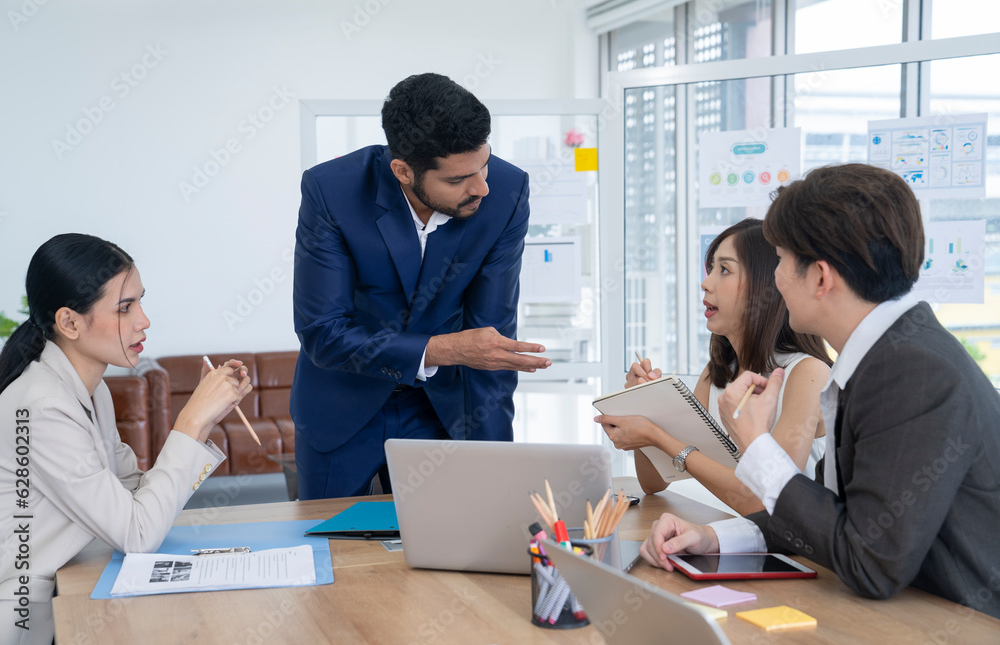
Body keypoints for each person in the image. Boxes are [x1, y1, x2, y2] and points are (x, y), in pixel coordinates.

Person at [639, 164, 1000, 618]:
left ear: (821, 277)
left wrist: (757, 445)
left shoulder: (911, 370)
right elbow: (833, 516)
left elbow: (869, 564)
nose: (778, 280)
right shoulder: (883, 355)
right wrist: (715, 538)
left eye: (783, 262)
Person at [291, 73, 550, 500]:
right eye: (457, 180)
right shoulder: (331, 191)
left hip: (446, 408)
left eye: (483, 164)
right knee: (333, 552)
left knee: (455, 548)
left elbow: (490, 339)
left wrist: (496, 460)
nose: (481, 186)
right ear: (403, 171)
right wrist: (444, 350)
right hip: (342, 405)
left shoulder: (505, 191)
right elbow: (324, 332)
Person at [0, 234, 253, 644]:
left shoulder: (90, 390)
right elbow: (137, 533)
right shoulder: (43, 405)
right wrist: (188, 421)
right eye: (124, 308)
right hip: (30, 617)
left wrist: (205, 421)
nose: (143, 320)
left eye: (139, 302)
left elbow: (134, 490)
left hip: (71, 584)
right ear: (69, 322)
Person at [595, 218, 832, 515]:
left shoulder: (808, 373)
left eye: (725, 270)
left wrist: (658, 436)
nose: (706, 283)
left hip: (790, 553)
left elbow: (766, 500)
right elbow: (654, 482)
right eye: (710, 270)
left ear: (765, 285)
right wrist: (646, 407)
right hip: (732, 538)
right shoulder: (715, 373)